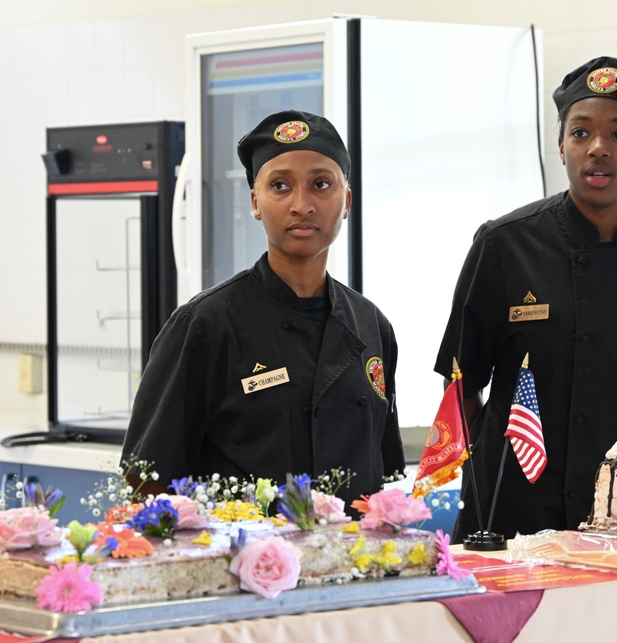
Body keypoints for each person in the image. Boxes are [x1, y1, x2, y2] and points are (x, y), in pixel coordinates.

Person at [434, 57, 617, 542]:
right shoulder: (504, 244)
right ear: (560, 146)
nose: (598, 149)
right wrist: (483, 475)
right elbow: (461, 385)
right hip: (510, 511)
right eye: (581, 133)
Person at [122, 110, 405, 511]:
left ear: (347, 202)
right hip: (241, 563)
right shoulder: (204, 325)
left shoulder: (372, 325)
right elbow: (145, 480)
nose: (302, 205)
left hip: (354, 564)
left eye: (321, 184)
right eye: (280, 186)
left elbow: (386, 474)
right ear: (256, 202)